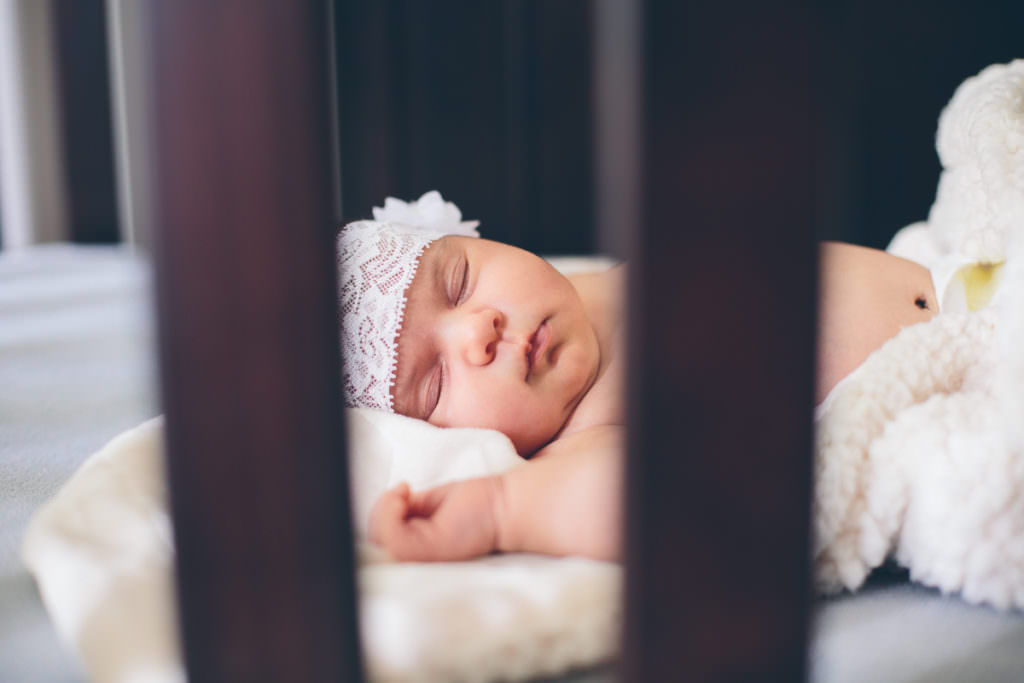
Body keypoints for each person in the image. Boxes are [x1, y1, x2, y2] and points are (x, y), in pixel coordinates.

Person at [337, 192, 938, 563]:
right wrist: (500, 510)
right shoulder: (583, 433)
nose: (479, 330)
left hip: (955, 269)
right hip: (954, 376)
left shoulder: (611, 277)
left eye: (459, 282)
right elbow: (643, 502)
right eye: (434, 382)